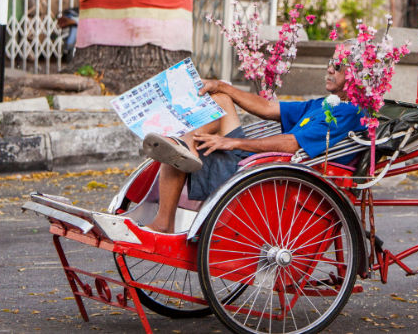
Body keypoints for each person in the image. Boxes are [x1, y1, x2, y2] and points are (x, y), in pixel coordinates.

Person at [141, 48, 365, 233]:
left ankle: (164, 219)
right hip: (262, 165)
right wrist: (221, 85)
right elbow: (268, 108)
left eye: (337, 66)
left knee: (176, 152)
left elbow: (293, 144)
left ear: (356, 75)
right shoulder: (325, 104)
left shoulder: (347, 113)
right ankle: (187, 142)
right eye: (330, 63)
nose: (329, 69)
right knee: (219, 98)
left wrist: (234, 143)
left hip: (275, 178)